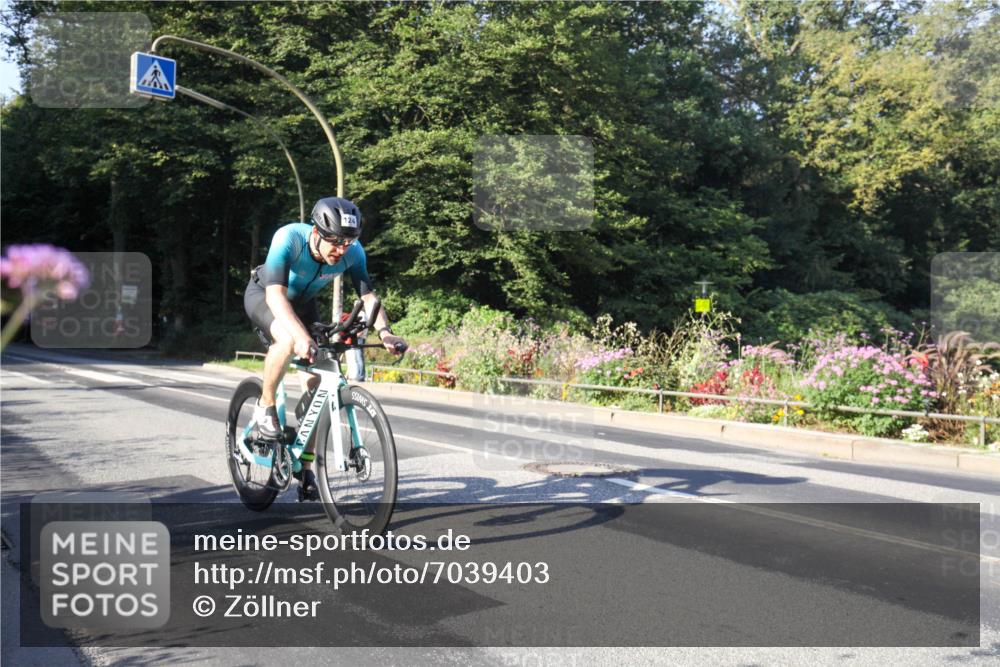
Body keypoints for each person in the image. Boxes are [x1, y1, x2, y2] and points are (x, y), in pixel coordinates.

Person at [244, 196, 407, 500]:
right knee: (290, 339)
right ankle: (265, 406)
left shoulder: (353, 253)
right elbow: (275, 298)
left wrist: (385, 332)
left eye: (348, 242)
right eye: (335, 242)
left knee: (318, 389)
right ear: (316, 232)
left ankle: (305, 465)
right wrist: (299, 335)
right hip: (266, 296)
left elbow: (368, 296)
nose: (341, 250)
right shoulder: (289, 238)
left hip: (305, 305)